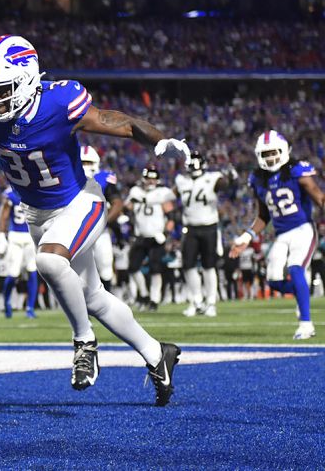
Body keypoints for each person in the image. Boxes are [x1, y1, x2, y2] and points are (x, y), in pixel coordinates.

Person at [0, 0, 185, 405]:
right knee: (93, 296)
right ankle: (156, 353)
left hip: (79, 202)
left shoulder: (58, 104)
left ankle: (84, 344)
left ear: (28, 81)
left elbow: (116, 120)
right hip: (37, 213)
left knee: (50, 261)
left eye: (1, 89)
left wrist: (158, 140)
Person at [229, 130, 325, 340]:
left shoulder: (296, 169)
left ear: (283, 151)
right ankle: (303, 297)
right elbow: (263, 216)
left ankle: (306, 324)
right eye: (266, 154)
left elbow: (319, 197)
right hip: (281, 235)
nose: (271, 157)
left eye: (274, 152)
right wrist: (246, 238)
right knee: (272, 280)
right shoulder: (258, 178)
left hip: (303, 229)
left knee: (295, 268)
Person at [174, 151, 235, 317]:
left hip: (209, 227)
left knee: (209, 266)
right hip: (190, 228)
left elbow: (224, 184)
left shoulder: (213, 178)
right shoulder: (181, 180)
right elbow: (172, 196)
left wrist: (230, 179)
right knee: (188, 266)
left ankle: (210, 302)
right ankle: (196, 300)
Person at [125, 166, 176, 312]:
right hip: (140, 236)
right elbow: (126, 207)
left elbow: (172, 217)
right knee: (133, 267)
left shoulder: (161, 193)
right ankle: (144, 295)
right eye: (149, 178)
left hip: (156, 237)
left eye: (154, 178)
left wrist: (165, 235)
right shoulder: (136, 191)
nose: (151, 181)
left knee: (155, 269)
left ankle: (154, 300)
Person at [80, 145, 124, 293]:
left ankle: (108, 302)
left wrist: (103, 221)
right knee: (81, 273)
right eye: (82, 162)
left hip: (100, 232)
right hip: (77, 233)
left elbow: (117, 203)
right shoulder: (68, 180)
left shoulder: (104, 178)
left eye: (88, 162)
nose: (85, 166)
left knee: (105, 267)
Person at [0, 187, 38, 318]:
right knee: (14, 273)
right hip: (16, 236)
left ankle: (30, 308)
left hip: (29, 236)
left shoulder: (12, 192)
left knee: (32, 271)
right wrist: (1, 236)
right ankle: (7, 303)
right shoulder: (13, 193)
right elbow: (4, 215)